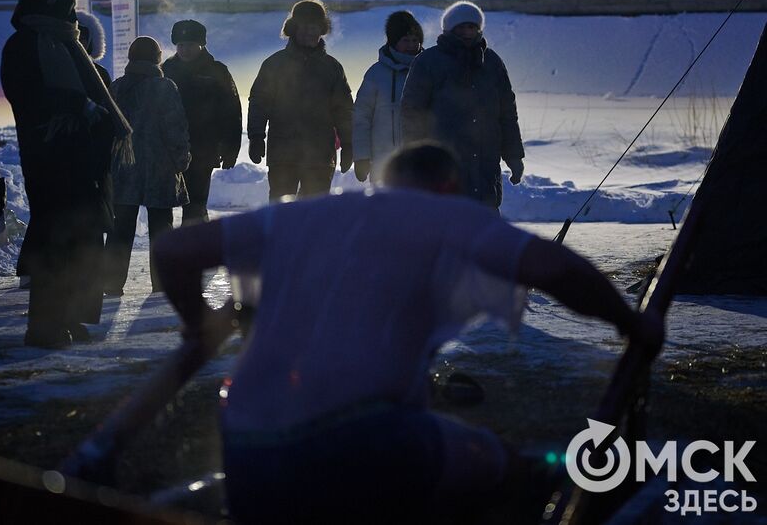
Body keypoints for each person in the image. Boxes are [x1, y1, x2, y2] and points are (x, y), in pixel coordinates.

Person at [151, 142, 663, 524]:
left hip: (249, 447)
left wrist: (199, 325)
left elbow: (172, 251)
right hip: (367, 440)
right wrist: (630, 322)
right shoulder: (445, 213)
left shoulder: (304, 214)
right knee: (505, 468)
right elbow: (555, 269)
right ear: (449, 186)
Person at [1, 0, 131, 349]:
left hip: (83, 159)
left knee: (82, 241)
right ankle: (43, 325)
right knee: (56, 242)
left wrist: (101, 118)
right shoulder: (26, 42)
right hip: (51, 157)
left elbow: (99, 95)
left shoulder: (66, 39)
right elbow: (25, 95)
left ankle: (70, 316)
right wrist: (78, 106)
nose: (71, 5)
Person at [15, 8, 113, 292]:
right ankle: (37, 269)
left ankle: (83, 279)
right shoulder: (49, 71)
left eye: (84, 35)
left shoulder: (99, 74)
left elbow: (108, 115)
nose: (79, 40)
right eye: (75, 33)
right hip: (56, 152)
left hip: (89, 154)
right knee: (51, 214)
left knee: (86, 218)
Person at [401, 0, 524, 210]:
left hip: (486, 165)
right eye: (461, 27)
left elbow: (507, 113)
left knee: (484, 230)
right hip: (443, 163)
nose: (467, 32)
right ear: (450, 29)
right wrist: (417, 158)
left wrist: (513, 155)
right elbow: (412, 112)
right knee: (446, 225)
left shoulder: (492, 62)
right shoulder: (428, 62)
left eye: (472, 27)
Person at [105, 36, 190, 296]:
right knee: (161, 228)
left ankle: (111, 282)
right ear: (157, 59)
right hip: (160, 168)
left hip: (124, 167)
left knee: (121, 228)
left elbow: (106, 127)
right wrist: (181, 159)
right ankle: (161, 282)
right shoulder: (165, 87)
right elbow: (175, 127)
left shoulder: (117, 87)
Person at [247, 0, 354, 201]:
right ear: (293, 29)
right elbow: (259, 103)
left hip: (320, 156)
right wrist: (256, 136)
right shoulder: (274, 65)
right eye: (304, 26)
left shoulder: (332, 68)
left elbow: (344, 109)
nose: (310, 32)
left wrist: (348, 142)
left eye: (315, 27)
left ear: (322, 30)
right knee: (281, 213)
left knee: (315, 215)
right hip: (283, 155)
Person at [161, 19, 242, 223]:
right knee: (163, 205)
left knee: (195, 205)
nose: (185, 50)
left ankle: (196, 248)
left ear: (201, 44)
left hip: (203, 148)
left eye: (190, 45)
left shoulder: (217, 71)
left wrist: (231, 147)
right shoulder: (166, 70)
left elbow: (232, 112)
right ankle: (169, 248)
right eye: (180, 45)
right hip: (168, 149)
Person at [351, 10, 424, 182]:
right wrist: (361, 156)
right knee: (384, 207)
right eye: (405, 40)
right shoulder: (376, 74)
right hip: (383, 163)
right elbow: (361, 116)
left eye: (415, 40)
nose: (411, 45)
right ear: (393, 42)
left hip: (420, 162)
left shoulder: (427, 71)